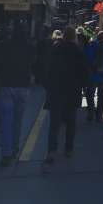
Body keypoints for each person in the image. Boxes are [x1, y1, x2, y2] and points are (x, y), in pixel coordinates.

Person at [44, 26, 89, 162]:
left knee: (54, 124)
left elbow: (48, 69)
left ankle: (51, 151)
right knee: (71, 122)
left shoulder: (55, 48)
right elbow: (84, 73)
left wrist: (48, 86)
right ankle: (68, 149)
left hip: (56, 91)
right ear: (74, 37)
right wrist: (83, 87)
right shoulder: (78, 51)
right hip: (72, 92)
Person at [0, 29, 34, 167]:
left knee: (6, 121)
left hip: (6, 86)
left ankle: (6, 153)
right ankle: (15, 148)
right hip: (23, 86)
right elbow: (33, 63)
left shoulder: (3, 46)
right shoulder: (29, 47)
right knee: (18, 120)